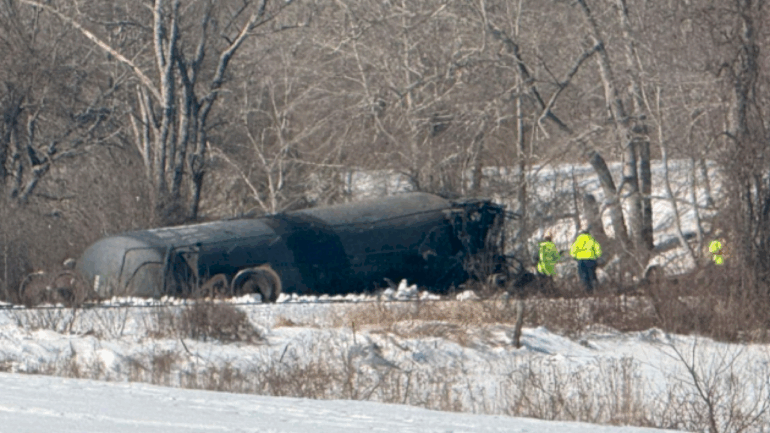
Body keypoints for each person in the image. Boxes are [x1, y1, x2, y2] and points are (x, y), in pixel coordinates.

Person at [570, 227, 602, 293]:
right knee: (592, 275)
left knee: (583, 276)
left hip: (581, 261)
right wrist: (597, 257)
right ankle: (596, 289)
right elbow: (598, 249)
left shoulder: (577, 241)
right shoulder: (592, 240)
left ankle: (587, 291)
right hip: (591, 260)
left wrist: (575, 257)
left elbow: (572, 251)